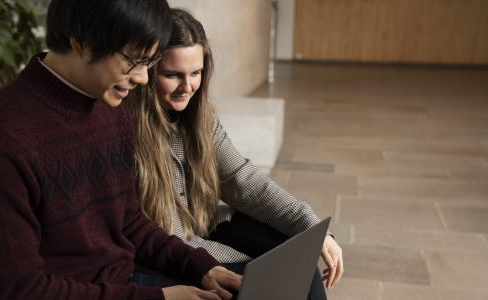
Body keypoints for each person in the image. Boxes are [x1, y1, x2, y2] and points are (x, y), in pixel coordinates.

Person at [0, 1, 241, 299]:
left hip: (126, 279)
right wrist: (160, 298)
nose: (143, 78)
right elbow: (18, 291)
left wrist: (199, 266)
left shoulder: (110, 107)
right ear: (81, 43)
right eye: (133, 61)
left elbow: (128, 221)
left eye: (150, 61)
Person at [125, 8, 344, 300]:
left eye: (196, 73)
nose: (187, 87)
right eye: (172, 75)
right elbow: (166, 236)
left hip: (205, 225)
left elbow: (243, 180)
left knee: (301, 265)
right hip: (164, 252)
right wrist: (242, 265)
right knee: (264, 282)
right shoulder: (125, 130)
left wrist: (312, 227)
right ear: (149, 71)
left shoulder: (201, 118)